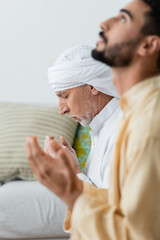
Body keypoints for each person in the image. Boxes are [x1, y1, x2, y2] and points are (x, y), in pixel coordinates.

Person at [25, 0, 160, 239]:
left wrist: (71, 186)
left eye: (123, 19)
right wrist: (74, 172)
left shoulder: (145, 123)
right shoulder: (128, 117)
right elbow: (117, 207)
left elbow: (133, 232)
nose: (103, 23)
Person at [46, 45, 122, 188]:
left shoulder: (122, 130)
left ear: (92, 86)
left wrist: (73, 171)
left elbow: (111, 208)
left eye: (65, 96)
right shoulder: (103, 127)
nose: (62, 110)